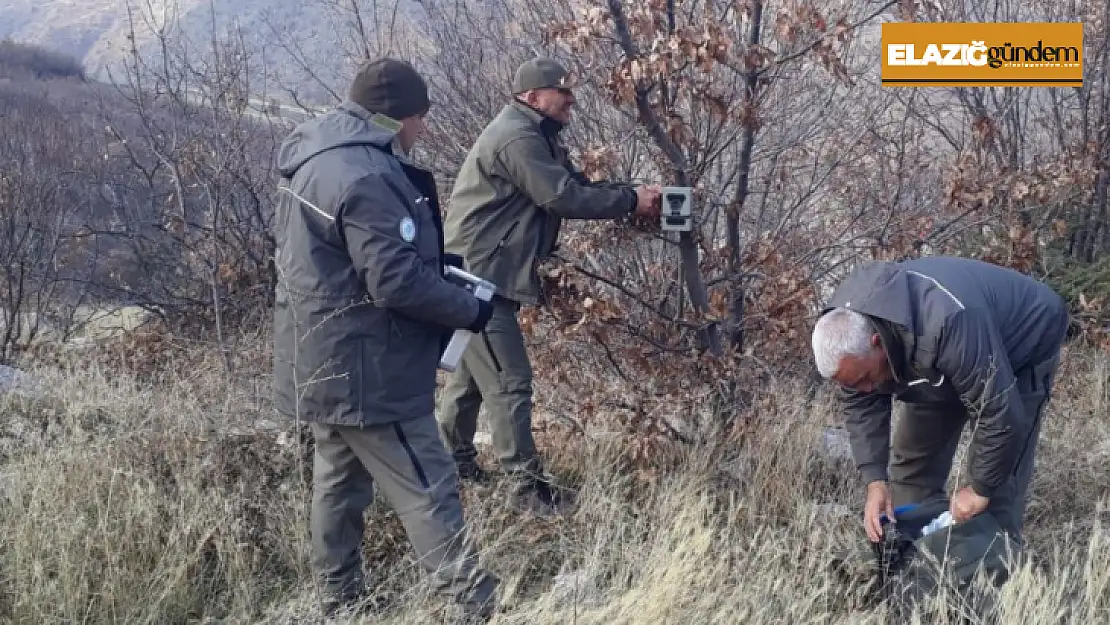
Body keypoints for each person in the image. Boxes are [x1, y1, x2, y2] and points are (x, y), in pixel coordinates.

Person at [271, 57, 499, 620]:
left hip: (320, 358)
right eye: (421, 117)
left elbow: (344, 263)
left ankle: (340, 599)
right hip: (370, 368)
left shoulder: (315, 159)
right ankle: (473, 604)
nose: (423, 129)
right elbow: (393, 280)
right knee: (428, 483)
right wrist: (468, 308)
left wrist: (430, 265)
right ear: (397, 117)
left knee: (339, 485)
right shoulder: (369, 176)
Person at [436, 56, 662, 512]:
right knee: (509, 379)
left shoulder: (534, 133)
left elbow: (573, 183)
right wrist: (631, 201)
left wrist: (630, 193)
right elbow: (562, 197)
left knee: (472, 378)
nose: (572, 100)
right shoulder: (518, 136)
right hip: (479, 280)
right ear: (533, 96)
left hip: (475, 274)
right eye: (563, 92)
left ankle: (450, 467)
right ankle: (526, 489)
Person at [810, 255, 1069, 547]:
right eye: (854, 384)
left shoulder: (947, 320)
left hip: (1024, 338)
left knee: (997, 483)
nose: (867, 389)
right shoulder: (849, 339)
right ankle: (922, 558)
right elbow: (861, 404)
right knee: (911, 465)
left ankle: (994, 567)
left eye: (866, 379)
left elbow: (999, 413)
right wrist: (875, 480)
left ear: (876, 342)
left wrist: (980, 489)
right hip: (938, 357)